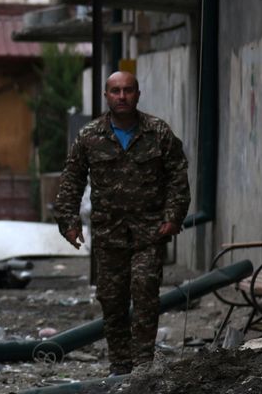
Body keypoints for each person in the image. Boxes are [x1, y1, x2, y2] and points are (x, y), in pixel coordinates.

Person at [54, 71, 190, 375]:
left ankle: (143, 365)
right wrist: (68, 221)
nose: (122, 96)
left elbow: (178, 176)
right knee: (113, 301)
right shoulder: (90, 136)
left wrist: (173, 217)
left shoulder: (158, 132)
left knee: (145, 292)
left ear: (138, 94)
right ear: (106, 96)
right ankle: (119, 366)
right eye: (115, 91)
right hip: (109, 234)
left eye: (128, 90)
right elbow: (72, 180)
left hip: (148, 232)